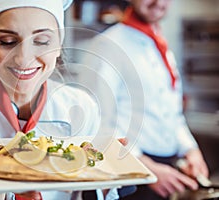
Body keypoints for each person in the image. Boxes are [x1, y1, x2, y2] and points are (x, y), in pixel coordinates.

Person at [0, 0, 129, 200]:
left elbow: (96, 192)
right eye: (7, 41)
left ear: (59, 45)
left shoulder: (82, 107)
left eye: (42, 41)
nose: (23, 58)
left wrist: (104, 170)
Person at [87, 0, 210, 199]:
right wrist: (147, 168)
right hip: (130, 171)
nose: (159, 2)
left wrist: (191, 150)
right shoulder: (108, 44)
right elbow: (99, 118)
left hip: (166, 168)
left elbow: (171, 111)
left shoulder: (159, 44)